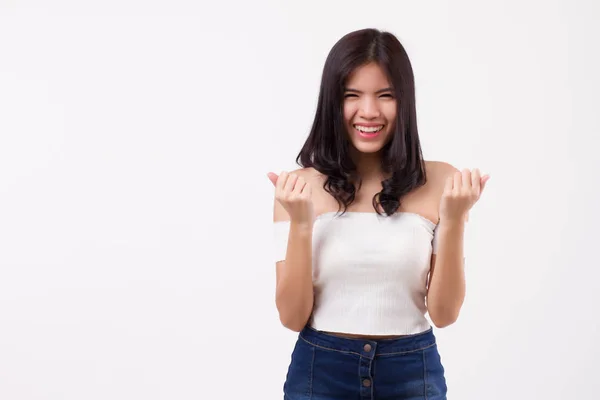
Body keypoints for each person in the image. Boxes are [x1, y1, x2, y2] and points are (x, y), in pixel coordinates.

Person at [266, 28, 489, 400]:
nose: (369, 112)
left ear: (405, 101)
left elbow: (445, 314)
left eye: (385, 96)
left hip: (411, 372)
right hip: (320, 373)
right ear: (332, 102)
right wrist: (301, 225)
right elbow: (291, 317)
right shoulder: (297, 189)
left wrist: (453, 221)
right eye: (352, 95)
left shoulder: (441, 181)